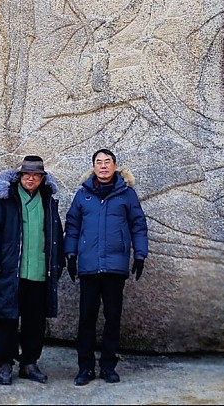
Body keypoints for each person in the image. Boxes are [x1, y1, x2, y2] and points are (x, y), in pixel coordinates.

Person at [65, 148, 149, 385]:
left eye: (107, 162)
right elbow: (72, 226)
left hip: (115, 267)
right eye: (98, 162)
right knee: (86, 319)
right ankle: (85, 368)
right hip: (89, 267)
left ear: (115, 166)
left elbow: (138, 225)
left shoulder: (127, 194)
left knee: (113, 317)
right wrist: (70, 255)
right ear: (93, 167)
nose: (103, 166)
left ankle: (108, 366)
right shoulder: (83, 196)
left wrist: (140, 255)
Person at [0, 155, 64, 386]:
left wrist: (58, 264)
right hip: (11, 270)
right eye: (27, 174)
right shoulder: (6, 199)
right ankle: (5, 364)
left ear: (42, 179)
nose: (31, 178)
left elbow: (55, 234)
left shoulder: (48, 200)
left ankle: (29, 363)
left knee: (35, 321)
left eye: (36, 175)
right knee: (8, 319)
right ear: (19, 176)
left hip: (38, 271)